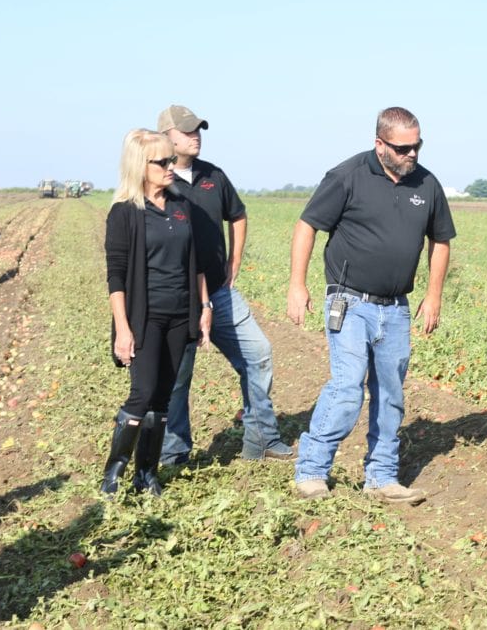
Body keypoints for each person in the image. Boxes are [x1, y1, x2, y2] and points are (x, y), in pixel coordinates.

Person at [287, 107, 456, 504]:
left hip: (396, 308)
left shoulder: (427, 184)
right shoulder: (347, 176)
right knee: (348, 388)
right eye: (402, 148)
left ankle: (381, 477)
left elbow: (442, 241)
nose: (411, 154)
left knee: (391, 394)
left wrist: (433, 295)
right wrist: (297, 284)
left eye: (417, 146)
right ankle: (312, 469)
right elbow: (307, 225)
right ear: (379, 144)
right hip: (348, 301)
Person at [156, 105, 293, 465]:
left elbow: (238, 215)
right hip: (178, 299)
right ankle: (174, 456)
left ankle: (261, 437)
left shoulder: (213, 176)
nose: (196, 136)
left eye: (198, 129)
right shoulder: (157, 182)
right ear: (167, 136)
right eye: (187, 131)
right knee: (177, 378)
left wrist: (234, 262)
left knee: (258, 354)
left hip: (218, 291)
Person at [102, 129, 211, 495]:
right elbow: (116, 277)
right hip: (145, 317)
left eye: (171, 160)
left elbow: (194, 263)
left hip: (181, 313)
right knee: (143, 392)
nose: (171, 167)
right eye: (162, 162)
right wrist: (123, 328)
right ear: (140, 166)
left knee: (163, 397)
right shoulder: (125, 213)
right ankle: (113, 474)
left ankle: (146, 474)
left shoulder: (181, 208)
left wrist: (204, 305)